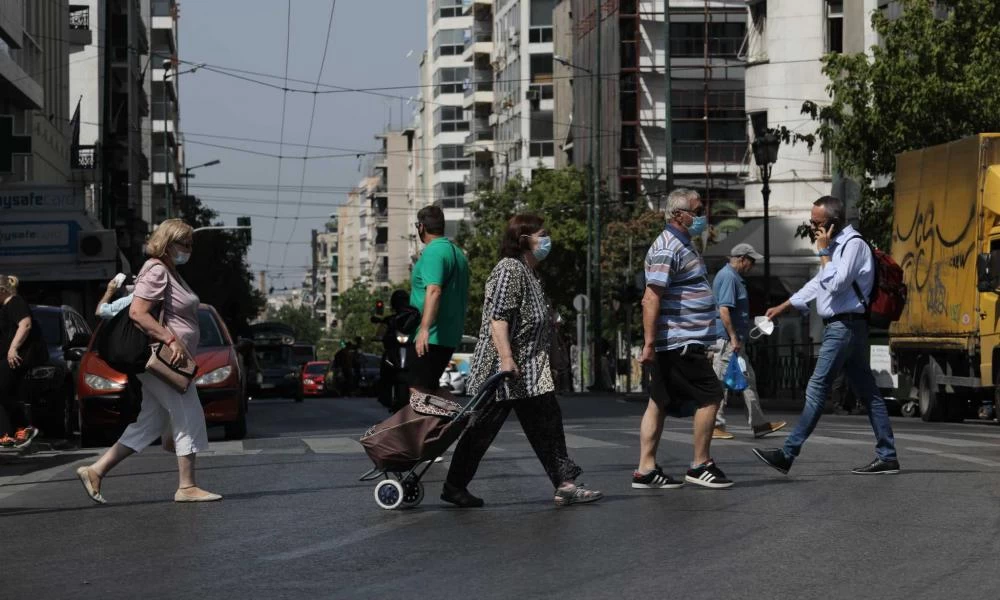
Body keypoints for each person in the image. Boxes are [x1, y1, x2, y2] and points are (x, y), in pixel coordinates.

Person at [443, 214, 603, 508]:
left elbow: (542, 323)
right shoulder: (509, 269)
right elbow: (498, 318)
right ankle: (454, 486)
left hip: (530, 372)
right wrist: (506, 358)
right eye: (542, 235)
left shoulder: (533, 274)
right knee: (481, 430)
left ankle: (565, 483)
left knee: (548, 425)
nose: (547, 240)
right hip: (502, 371)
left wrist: (554, 356)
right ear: (523, 240)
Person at [76, 219, 222, 504]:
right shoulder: (156, 270)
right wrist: (170, 339)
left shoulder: (171, 271)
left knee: (151, 422)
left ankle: (96, 471)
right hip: (163, 359)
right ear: (168, 244)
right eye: (185, 244)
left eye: (191, 244)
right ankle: (187, 486)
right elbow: (139, 313)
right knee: (188, 413)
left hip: (170, 358)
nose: (189, 249)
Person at [752, 196, 899, 475]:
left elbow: (836, 283)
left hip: (844, 327)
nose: (812, 228)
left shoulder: (853, 245)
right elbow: (818, 283)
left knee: (817, 389)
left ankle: (787, 453)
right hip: (846, 327)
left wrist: (822, 252)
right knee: (868, 394)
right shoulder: (837, 247)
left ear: (832, 223)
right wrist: (783, 307)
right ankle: (887, 455)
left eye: (816, 223)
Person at [632, 188, 734, 490]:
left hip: (680, 339)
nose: (702, 216)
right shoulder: (667, 248)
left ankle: (645, 469)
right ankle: (700, 464)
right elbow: (651, 298)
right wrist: (649, 343)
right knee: (711, 395)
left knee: (658, 401)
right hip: (679, 340)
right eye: (697, 210)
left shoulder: (683, 244)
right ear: (679, 215)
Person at [711, 243, 787, 440]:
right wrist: (734, 337)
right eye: (751, 261)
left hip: (734, 341)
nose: (752, 266)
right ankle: (715, 425)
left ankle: (759, 424)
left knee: (746, 381)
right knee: (722, 384)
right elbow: (724, 310)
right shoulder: (729, 277)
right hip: (728, 341)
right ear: (742, 259)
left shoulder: (734, 277)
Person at [409, 205, 470, 398]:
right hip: (449, 333)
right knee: (430, 388)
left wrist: (424, 328)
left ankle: (444, 422)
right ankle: (450, 420)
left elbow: (434, 290)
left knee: (419, 391)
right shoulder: (457, 253)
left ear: (421, 227)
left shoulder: (434, 252)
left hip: (431, 336)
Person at [0, 274, 46, 449]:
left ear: (2, 290)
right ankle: (21, 429)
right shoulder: (3, 307)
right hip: (6, 358)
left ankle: (6, 434)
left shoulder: (16, 302)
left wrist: (13, 348)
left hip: (17, 357)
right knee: (6, 394)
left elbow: (25, 325)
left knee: (2, 391)